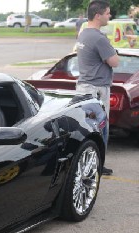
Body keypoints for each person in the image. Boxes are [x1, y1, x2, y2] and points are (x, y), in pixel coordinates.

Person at [76, 0, 119, 175]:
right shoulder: (98, 38)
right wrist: (113, 52)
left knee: (88, 128)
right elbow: (115, 62)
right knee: (101, 128)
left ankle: (89, 164)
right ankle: (97, 166)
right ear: (98, 15)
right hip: (97, 89)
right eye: (108, 13)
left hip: (84, 87)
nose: (110, 16)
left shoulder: (84, 34)